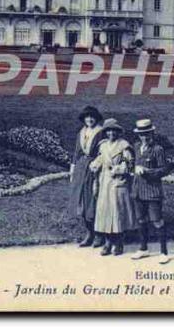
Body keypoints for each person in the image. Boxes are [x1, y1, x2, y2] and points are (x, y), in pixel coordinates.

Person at [90, 118, 137, 256]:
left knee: (118, 213)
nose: (111, 133)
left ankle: (118, 243)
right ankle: (107, 243)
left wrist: (117, 169)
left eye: (114, 130)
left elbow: (129, 164)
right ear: (106, 132)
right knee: (104, 212)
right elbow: (101, 158)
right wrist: (95, 164)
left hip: (118, 182)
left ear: (118, 132)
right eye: (108, 130)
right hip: (104, 182)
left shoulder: (124, 146)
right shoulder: (103, 145)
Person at [130, 118, 171, 264]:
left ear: (152, 133)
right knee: (141, 220)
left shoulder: (158, 149)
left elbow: (165, 170)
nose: (144, 137)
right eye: (142, 134)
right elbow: (132, 164)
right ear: (138, 135)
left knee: (157, 221)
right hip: (138, 190)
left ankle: (164, 252)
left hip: (153, 191)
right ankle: (143, 249)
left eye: (147, 134)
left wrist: (148, 172)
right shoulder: (136, 147)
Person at [69, 106, 106, 248]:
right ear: (84, 119)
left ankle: (99, 235)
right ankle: (89, 233)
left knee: (93, 200)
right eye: (87, 117)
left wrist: (97, 165)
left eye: (92, 117)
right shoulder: (82, 132)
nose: (89, 119)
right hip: (80, 168)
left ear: (96, 118)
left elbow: (103, 152)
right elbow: (76, 152)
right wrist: (73, 169)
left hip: (94, 167)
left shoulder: (100, 132)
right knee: (82, 201)